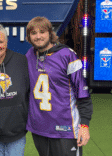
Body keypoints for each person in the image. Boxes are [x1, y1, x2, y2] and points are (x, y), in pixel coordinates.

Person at [25, 16, 93, 156]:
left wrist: (84, 125)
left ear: (50, 33)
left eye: (42, 32)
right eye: (34, 33)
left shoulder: (67, 55)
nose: (38, 37)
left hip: (65, 130)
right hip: (40, 129)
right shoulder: (29, 56)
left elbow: (83, 94)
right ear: (29, 37)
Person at [0, 23, 30, 156]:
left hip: (17, 131)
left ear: (7, 42)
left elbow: (28, 91)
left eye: (0, 41)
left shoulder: (21, 61)